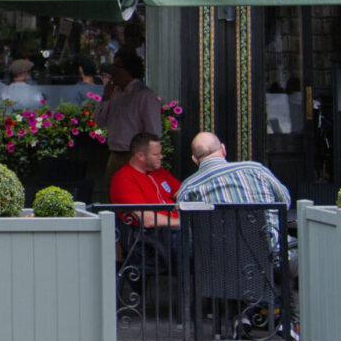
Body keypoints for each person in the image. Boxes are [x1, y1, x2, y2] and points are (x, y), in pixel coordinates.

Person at [176, 132, 292, 236]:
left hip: (216, 258)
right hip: (269, 255)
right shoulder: (256, 170)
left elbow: (188, 231)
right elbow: (284, 201)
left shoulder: (188, 188)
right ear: (223, 149)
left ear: (194, 159)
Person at [94, 51, 163, 180]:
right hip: (114, 154)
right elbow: (100, 121)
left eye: (117, 67)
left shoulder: (144, 95)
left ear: (128, 70)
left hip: (134, 156)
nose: (113, 71)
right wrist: (106, 98)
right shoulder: (115, 93)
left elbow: (153, 131)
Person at [108, 131, 181, 225]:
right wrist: (183, 223)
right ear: (140, 156)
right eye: (156, 154)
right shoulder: (123, 179)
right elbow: (147, 219)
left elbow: (182, 193)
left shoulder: (160, 172)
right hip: (152, 235)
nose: (161, 157)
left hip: (176, 230)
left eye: (160, 153)